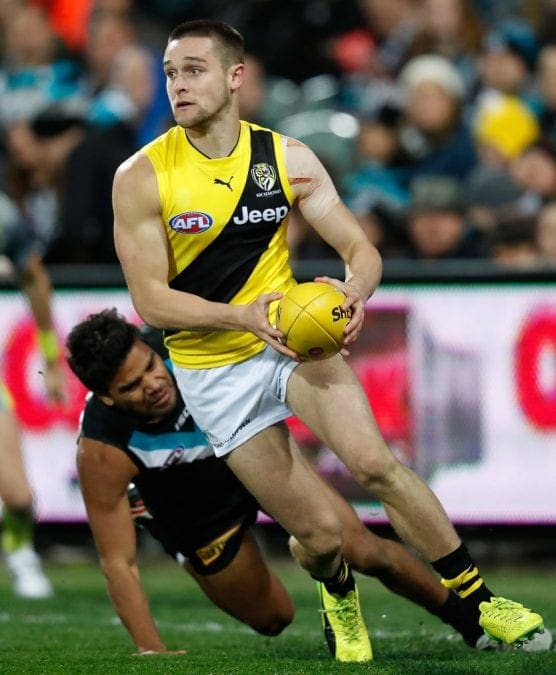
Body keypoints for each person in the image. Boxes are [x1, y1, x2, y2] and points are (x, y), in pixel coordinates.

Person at [112, 19, 545, 663]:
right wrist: (242, 316)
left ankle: (483, 602)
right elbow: (150, 300)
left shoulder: (286, 159)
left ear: (235, 77)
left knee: (376, 466)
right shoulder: (142, 175)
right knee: (318, 537)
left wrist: (353, 293)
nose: (179, 83)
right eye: (172, 72)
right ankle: (337, 591)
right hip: (212, 370)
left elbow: (360, 250)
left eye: (194, 69)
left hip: (291, 344)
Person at [65, 310, 553, 655]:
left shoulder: (187, 347)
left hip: (253, 452)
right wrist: (151, 651)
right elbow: (118, 562)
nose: (153, 384)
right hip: (195, 511)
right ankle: (155, 515)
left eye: (150, 367)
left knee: (364, 549)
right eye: (131, 387)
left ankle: (472, 624)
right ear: (106, 398)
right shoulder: (102, 449)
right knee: (273, 619)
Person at [0, 191, 64, 598]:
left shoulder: (3, 215)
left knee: (20, 498)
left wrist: (51, 358)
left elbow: (34, 277)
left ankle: (19, 550)